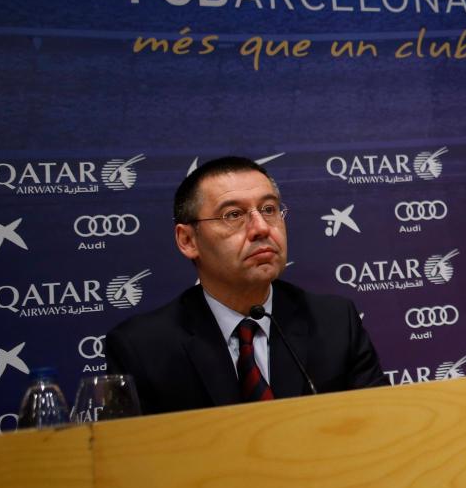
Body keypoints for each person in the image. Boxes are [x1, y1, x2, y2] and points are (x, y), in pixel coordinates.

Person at [105, 156, 385, 414]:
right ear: (188, 241)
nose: (261, 228)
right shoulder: (142, 348)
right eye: (233, 215)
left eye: (269, 209)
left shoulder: (335, 322)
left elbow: (382, 429)